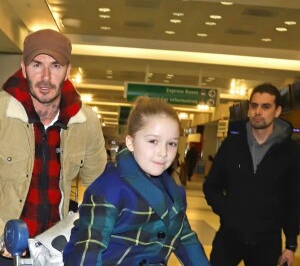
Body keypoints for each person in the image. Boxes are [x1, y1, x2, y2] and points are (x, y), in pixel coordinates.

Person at [0, 29, 107, 265]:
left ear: (68, 71)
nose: (46, 77)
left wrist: (84, 232)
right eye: (37, 65)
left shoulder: (85, 122)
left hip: (54, 251)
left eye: (56, 66)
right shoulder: (2, 113)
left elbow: (98, 188)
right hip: (4, 248)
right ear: (23, 66)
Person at [63, 96, 210, 265]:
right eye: (153, 141)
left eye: (171, 144)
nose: (163, 152)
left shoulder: (173, 193)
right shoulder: (110, 189)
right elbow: (88, 248)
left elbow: (185, 239)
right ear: (130, 142)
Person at [203, 83, 300, 266]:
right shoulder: (232, 146)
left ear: (277, 111)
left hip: (266, 242)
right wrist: (227, 211)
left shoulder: (290, 151)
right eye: (254, 106)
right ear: (249, 110)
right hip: (228, 239)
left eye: (265, 107)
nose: (258, 111)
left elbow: (293, 199)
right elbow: (211, 186)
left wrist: (291, 244)